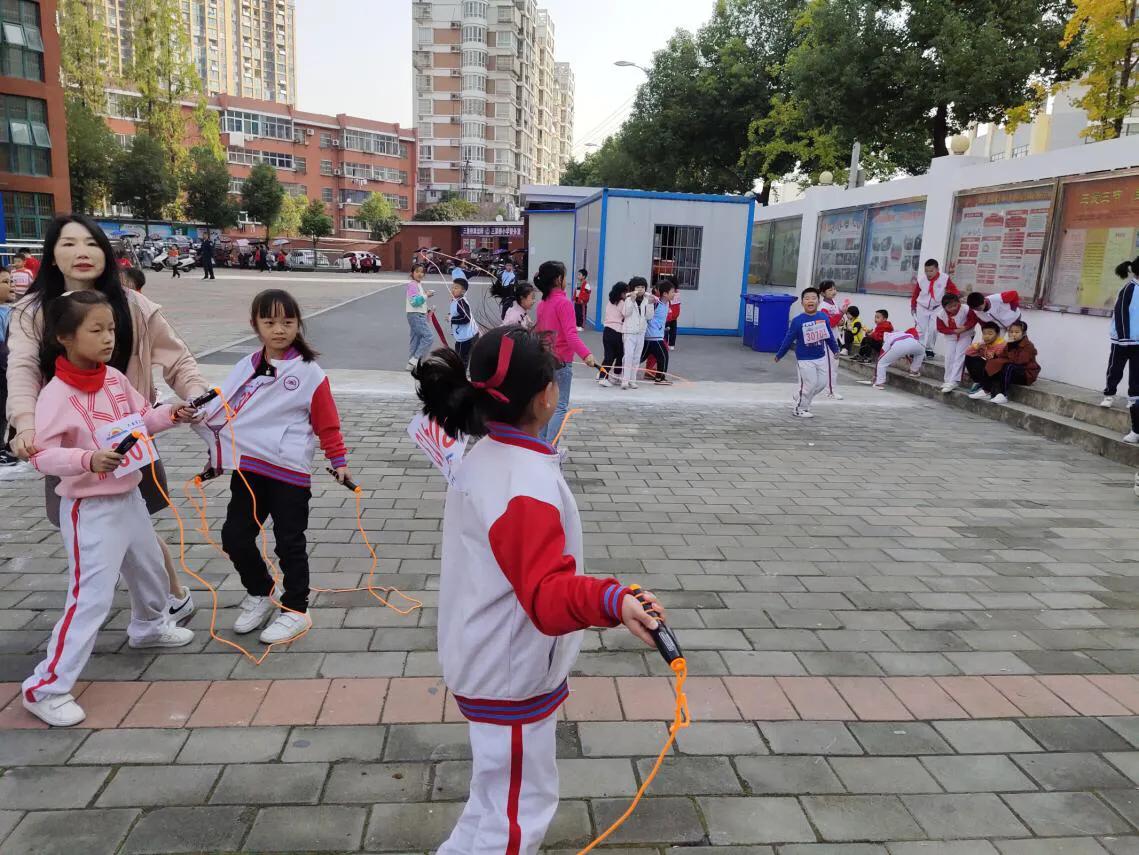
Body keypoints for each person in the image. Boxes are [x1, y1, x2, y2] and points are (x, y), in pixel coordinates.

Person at [411, 327, 665, 854]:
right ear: (546, 394)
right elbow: (548, 599)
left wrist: (609, 599)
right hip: (508, 671)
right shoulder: (522, 482)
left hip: (487, 656)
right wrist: (611, 600)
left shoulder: (492, 455)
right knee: (517, 815)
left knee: (493, 801)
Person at [8, 215, 207, 623]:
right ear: (52, 254)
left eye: (91, 243)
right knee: (97, 528)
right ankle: (155, 601)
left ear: (105, 251)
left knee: (135, 524)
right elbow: (23, 371)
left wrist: (202, 399)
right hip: (71, 444)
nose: (81, 253)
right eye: (68, 244)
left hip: (128, 441)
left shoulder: (134, 305)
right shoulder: (32, 311)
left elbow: (178, 361)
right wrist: (25, 426)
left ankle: (160, 602)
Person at [22, 290, 196, 726]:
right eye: (96, 330)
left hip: (130, 496)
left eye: (112, 329)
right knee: (90, 598)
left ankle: (149, 626)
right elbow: (42, 456)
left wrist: (172, 415)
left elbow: (142, 420)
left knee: (151, 567)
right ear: (64, 337)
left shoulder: (115, 380)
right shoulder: (55, 395)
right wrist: (87, 460)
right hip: (90, 510)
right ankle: (45, 687)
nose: (107, 339)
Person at [194, 289, 352, 644]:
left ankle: (296, 609)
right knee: (235, 536)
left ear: (298, 325)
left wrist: (338, 460)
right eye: (270, 322)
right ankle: (260, 592)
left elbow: (327, 422)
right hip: (250, 469)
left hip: (288, 472)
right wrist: (216, 455)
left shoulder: (309, 372)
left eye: (288, 322)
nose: (279, 329)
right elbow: (226, 413)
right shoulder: (245, 367)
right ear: (255, 325)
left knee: (289, 543)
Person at [533, 260, 596, 445]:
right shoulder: (564, 303)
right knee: (559, 407)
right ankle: (550, 448)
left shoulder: (543, 303)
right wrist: (587, 355)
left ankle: (541, 446)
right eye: (565, 276)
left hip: (544, 361)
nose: (566, 280)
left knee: (545, 405)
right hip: (561, 363)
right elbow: (571, 335)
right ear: (559, 279)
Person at [774, 286, 839, 419]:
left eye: (814, 298)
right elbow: (788, 339)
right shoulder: (798, 321)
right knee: (810, 384)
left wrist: (835, 349)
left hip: (821, 357)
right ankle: (800, 408)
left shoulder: (823, 317)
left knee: (821, 384)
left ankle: (800, 395)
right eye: (807, 298)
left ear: (818, 301)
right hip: (805, 359)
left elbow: (829, 336)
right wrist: (780, 354)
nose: (810, 301)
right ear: (802, 302)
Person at [971, 319, 1039, 404]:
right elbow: (1003, 356)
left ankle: (1004, 395)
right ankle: (986, 390)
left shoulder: (1028, 346)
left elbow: (1019, 361)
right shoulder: (1010, 343)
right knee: (992, 363)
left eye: (1017, 332)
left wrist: (1011, 346)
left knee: (1008, 366)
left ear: (1023, 333)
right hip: (1012, 371)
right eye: (1011, 332)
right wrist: (994, 356)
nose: (1013, 334)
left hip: (1026, 374)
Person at [1100, 259, 1138, 409]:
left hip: (1137, 340)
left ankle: (1134, 398)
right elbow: (1121, 313)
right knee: (1115, 368)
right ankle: (1109, 395)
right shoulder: (1129, 288)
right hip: (1122, 340)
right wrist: (1123, 337)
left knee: (1136, 371)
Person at [911, 258, 958, 357]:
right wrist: (913, 306)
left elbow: (953, 290)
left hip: (937, 307)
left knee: (934, 329)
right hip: (922, 307)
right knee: (920, 329)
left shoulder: (945, 278)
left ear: (937, 269)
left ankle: (929, 349)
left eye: (931, 271)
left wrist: (955, 299)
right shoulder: (921, 280)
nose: (928, 273)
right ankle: (917, 348)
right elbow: (915, 294)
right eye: (926, 271)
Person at [935, 291, 978, 394]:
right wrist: (953, 331)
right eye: (950, 307)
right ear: (944, 307)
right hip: (951, 337)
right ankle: (947, 380)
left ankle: (954, 381)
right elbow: (940, 328)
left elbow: (973, 320)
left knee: (960, 356)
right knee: (949, 357)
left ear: (958, 302)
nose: (953, 308)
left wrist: (965, 327)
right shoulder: (940, 315)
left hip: (965, 335)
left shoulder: (966, 309)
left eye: (955, 305)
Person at [620, 277, 653, 391]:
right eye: (637, 287)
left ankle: (632, 380)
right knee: (628, 356)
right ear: (633, 288)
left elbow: (649, 316)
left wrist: (650, 304)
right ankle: (625, 380)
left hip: (640, 332)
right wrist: (632, 301)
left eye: (642, 287)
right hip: (629, 332)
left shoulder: (646, 300)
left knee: (637, 356)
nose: (640, 289)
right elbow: (625, 313)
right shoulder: (629, 299)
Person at [817, 280, 846, 399]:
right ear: (823, 293)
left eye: (834, 289)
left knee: (834, 365)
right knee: (831, 365)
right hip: (827, 340)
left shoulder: (834, 302)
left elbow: (838, 320)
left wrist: (841, 320)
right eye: (830, 290)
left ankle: (829, 389)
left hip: (834, 338)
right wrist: (841, 315)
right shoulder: (823, 307)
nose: (834, 291)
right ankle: (830, 391)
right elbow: (829, 323)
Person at [643, 278, 675, 385]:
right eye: (672, 292)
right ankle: (660, 378)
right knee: (663, 356)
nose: (674, 294)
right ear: (665, 294)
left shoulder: (666, 304)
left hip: (655, 336)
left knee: (639, 358)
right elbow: (646, 297)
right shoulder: (656, 303)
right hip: (653, 337)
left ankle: (659, 377)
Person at [405, 262, 436, 371]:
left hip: (415, 315)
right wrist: (426, 295)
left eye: (422, 272)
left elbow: (418, 302)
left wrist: (427, 310)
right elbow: (414, 302)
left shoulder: (418, 285)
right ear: (412, 273)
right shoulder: (412, 285)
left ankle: (411, 364)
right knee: (428, 337)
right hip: (416, 315)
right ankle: (415, 359)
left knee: (416, 339)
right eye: (417, 271)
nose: (420, 274)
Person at [598, 281, 629, 388]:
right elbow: (627, 314)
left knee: (609, 356)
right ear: (621, 293)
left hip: (607, 331)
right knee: (620, 355)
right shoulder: (621, 303)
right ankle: (615, 375)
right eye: (626, 293)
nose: (627, 295)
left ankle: (601, 374)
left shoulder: (610, 302)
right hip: (617, 332)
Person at [963, 322, 1006, 394]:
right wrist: (977, 347)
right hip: (988, 368)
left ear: (998, 334)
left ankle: (987, 388)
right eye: (984, 334)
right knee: (970, 358)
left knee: (992, 363)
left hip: (999, 371)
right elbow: (968, 353)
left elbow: (1000, 362)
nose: (986, 336)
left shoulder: (1002, 345)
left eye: (990, 334)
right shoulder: (984, 344)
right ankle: (978, 382)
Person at [0, 268, 14, 466]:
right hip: (3, 366)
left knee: (5, 409)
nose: (10, 286)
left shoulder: (11, 310)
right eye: (4, 282)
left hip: (7, 367)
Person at [449, 277, 478, 367]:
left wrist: (451, 319)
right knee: (460, 356)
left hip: (467, 336)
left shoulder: (461, 302)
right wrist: (450, 316)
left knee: (461, 359)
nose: (453, 289)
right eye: (452, 287)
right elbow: (456, 313)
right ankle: (462, 374)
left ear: (463, 291)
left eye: (456, 288)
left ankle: (461, 376)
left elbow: (466, 318)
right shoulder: (456, 301)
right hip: (463, 335)